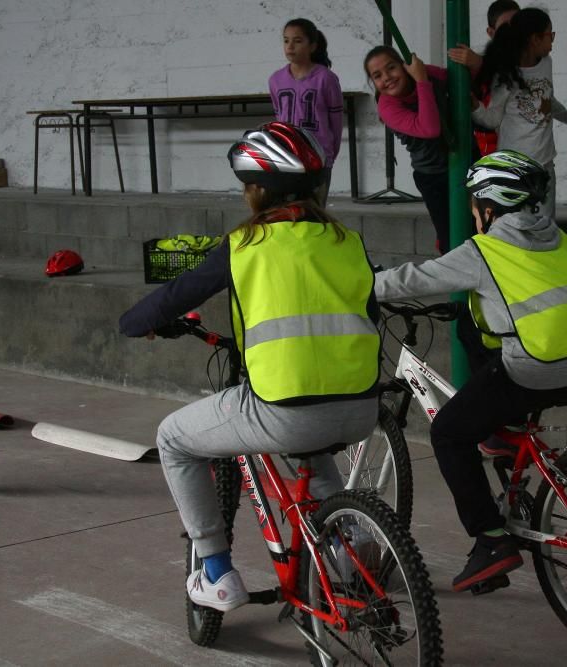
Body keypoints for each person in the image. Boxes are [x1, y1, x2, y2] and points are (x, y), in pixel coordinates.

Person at [119, 121, 380, 613]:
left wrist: (134, 323)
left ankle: (216, 573)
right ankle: (347, 553)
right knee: (314, 456)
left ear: (259, 191)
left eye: (246, 186)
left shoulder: (245, 244)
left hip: (283, 410)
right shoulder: (347, 240)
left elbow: (178, 295)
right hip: (362, 407)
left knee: (173, 438)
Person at [373, 150, 567, 591]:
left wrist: (361, 284)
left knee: (447, 431)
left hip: (536, 367)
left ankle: (489, 539)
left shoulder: (484, 250)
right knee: (473, 321)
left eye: (473, 205)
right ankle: (503, 431)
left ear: (488, 206)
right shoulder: (558, 239)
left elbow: (413, 279)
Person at [471, 7, 567, 221]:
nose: (552, 42)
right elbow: (492, 119)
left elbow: (547, 100)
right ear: (534, 39)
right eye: (549, 35)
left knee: (545, 224)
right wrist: (473, 106)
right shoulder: (507, 74)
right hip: (515, 167)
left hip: (544, 164)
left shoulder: (546, 63)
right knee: (516, 226)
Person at [364, 47, 456, 254]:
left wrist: (473, 61)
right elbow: (430, 128)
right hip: (433, 176)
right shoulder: (387, 106)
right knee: (450, 235)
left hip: (466, 158)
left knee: (480, 225)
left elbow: (457, 77)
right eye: (377, 76)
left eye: (391, 68)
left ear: (404, 66)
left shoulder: (427, 73)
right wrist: (422, 82)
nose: (387, 78)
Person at [268, 18, 343, 206]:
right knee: (287, 209)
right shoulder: (276, 79)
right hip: (288, 154)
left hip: (318, 155)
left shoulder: (326, 78)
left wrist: (330, 153)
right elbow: (279, 115)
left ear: (312, 46)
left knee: (315, 210)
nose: (290, 46)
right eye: (286, 40)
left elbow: (336, 121)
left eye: (298, 41)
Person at [447, 0, 520, 155]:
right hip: (492, 150)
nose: (513, 31)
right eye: (505, 27)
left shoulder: (533, 60)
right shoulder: (481, 62)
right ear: (491, 33)